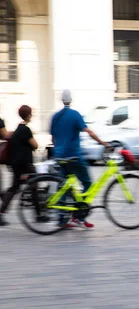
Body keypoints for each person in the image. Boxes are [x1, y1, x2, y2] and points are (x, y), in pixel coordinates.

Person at [50, 89, 109, 229]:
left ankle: (62, 219)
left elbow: (53, 138)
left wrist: (59, 148)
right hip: (74, 156)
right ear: (71, 100)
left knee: (63, 186)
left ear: (61, 100)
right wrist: (102, 143)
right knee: (88, 183)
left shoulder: (55, 117)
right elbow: (88, 131)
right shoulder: (75, 115)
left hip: (59, 156)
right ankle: (79, 216)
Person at [0, 106, 41, 226]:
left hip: (16, 164)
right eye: (31, 113)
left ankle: (2, 211)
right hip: (26, 164)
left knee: (15, 188)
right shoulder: (25, 130)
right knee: (34, 186)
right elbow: (35, 145)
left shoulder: (18, 129)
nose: (32, 115)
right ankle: (39, 214)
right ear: (28, 115)